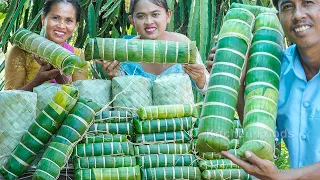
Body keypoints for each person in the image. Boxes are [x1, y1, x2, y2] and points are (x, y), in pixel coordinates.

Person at [205, 0, 320, 179]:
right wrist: (237, 80)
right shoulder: (274, 68)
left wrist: (283, 177)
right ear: (278, 17)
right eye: (288, 6)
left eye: (308, 3)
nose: (297, 15)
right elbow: (265, 138)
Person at [96, 0, 209, 93]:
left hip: (179, 119)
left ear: (168, 15)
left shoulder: (183, 44)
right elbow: (122, 95)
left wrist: (200, 77)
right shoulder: (124, 50)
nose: (149, 21)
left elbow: (206, 88)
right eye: (141, 16)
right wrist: (113, 75)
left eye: (155, 14)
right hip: (138, 119)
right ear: (132, 21)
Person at [4, 0, 87, 91]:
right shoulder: (21, 51)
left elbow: (80, 98)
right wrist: (38, 80)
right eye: (55, 18)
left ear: (75, 25)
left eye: (69, 20)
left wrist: (58, 76)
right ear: (43, 19)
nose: (61, 26)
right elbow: (10, 99)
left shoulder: (76, 56)